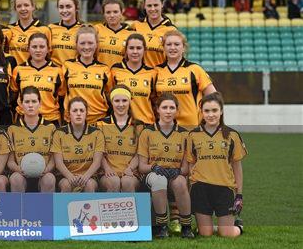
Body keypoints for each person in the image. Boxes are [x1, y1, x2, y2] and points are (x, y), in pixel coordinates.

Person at [187, 92, 246, 238]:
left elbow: (237, 167)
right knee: (205, 234)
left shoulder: (232, 135)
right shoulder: (193, 135)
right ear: (201, 112)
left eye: (214, 110)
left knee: (227, 234)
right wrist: (192, 186)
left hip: (224, 189)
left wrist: (239, 194)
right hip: (201, 189)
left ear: (221, 111)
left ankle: (238, 225)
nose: (211, 114)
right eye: (207, 111)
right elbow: (190, 165)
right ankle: (207, 226)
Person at [138, 93, 193, 238]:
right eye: (164, 107)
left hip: (174, 174)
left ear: (177, 110)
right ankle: (162, 226)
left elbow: (186, 169)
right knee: (159, 180)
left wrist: (178, 170)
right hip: (153, 175)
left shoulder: (184, 134)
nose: (168, 111)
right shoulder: (147, 132)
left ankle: (186, 226)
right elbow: (141, 166)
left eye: (171, 108)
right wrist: (153, 168)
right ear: (157, 109)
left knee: (181, 182)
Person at [155, 30, 216, 128]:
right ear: (163, 48)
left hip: (191, 128)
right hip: (165, 129)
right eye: (169, 44)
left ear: (183, 48)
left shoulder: (195, 69)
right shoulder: (156, 71)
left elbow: (214, 97)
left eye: (177, 44)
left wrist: (206, 119)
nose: (173, 47)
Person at [7, 86, 57, 192]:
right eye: (27, 101)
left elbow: (54, 158)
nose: (30, 105)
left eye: (34, 101)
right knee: (15, 179)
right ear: (21, 104)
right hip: (21, 174)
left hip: (44, 174)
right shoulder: (12, 129)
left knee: (49, 179)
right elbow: (10, 161)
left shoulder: (51, 128)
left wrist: (47, 169)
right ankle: (18, 209)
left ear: (40, 103)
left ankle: (45, 209)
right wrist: (18, 169)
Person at [51, 97, 104, 192]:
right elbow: (58, 163)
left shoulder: (97, 133)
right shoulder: (59, 133)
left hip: (89, 176)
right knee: (66, 185)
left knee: (89, 185)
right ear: (68, 114)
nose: (78, 113)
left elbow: (97, 162)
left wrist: (85, 176)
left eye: (82, 110)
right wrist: (70, 177)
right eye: (75, 110)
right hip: (65, 176)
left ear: (86, 113)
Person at [97, 85, 143, 192]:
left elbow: (140, 153)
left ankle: (130, 209)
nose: (121, 104)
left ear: (129, 101)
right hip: (106, 172)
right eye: (117, 101)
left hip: (131, 172)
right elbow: (98, 152)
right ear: (111, 102)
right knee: (114, 182)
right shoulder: (101, 124)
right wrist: (107, 169)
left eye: (124, 100)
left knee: (127, 182)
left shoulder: (139, 125)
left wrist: (130, 169)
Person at [11, 33, 64, 125]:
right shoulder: (18, 70)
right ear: (28, 48)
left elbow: (62, 98)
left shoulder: (57, 71)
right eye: (34, 47)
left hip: (50, 119)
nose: (38, 50)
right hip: (24, 119)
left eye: (42, 47)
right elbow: (13, 96)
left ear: (48, 49)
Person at [62, 25, 112, 124]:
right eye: (82, 43)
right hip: (72, 122)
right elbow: (61, 93)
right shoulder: (67, 66)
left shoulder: (104, 69)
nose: (86, 47)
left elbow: (109, 95)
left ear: (97, 44)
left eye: (90, 43)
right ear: (76, 44)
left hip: (98, 122)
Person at [111, 33, 156, 124]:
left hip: (146, 124)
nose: (135, 52)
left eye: (139, 48)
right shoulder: (115, 70)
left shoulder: (152, 73)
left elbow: (154, 100)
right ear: (126, 50)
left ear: (144, 50)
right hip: (122, 125)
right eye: (131, 48)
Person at [129, 0, 177, 68]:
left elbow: (176, 59)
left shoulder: (171, 30)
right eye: (149, 6)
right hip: (140, 77)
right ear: (144, 6)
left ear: (162, 4)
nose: (152, 9)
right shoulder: (136, 26)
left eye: (156, 5)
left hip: (161, 76)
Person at [7, 0, 51, 64]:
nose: (23, 8)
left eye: (26, 5)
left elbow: (48, 56)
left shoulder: (44, 30)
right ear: (15, 9)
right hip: (13, 73)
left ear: (33, 7)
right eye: (19, 6)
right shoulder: (9, 29)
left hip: (33, 73)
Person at [94, 0, 132, 68]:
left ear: (122, 12)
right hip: (100, 75)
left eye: (115, 12)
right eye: (108, 12)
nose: (112, 15)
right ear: (103, 13)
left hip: (121, 76)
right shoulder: (96, 30)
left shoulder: (131, 33)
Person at [49, 0, 83, 66]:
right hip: (54, 73)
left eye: (68, 7)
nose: (64, 10)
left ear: (76, 8)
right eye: (61, 7)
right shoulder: (50, 28)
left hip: (76, 74)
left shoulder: (84, 29)